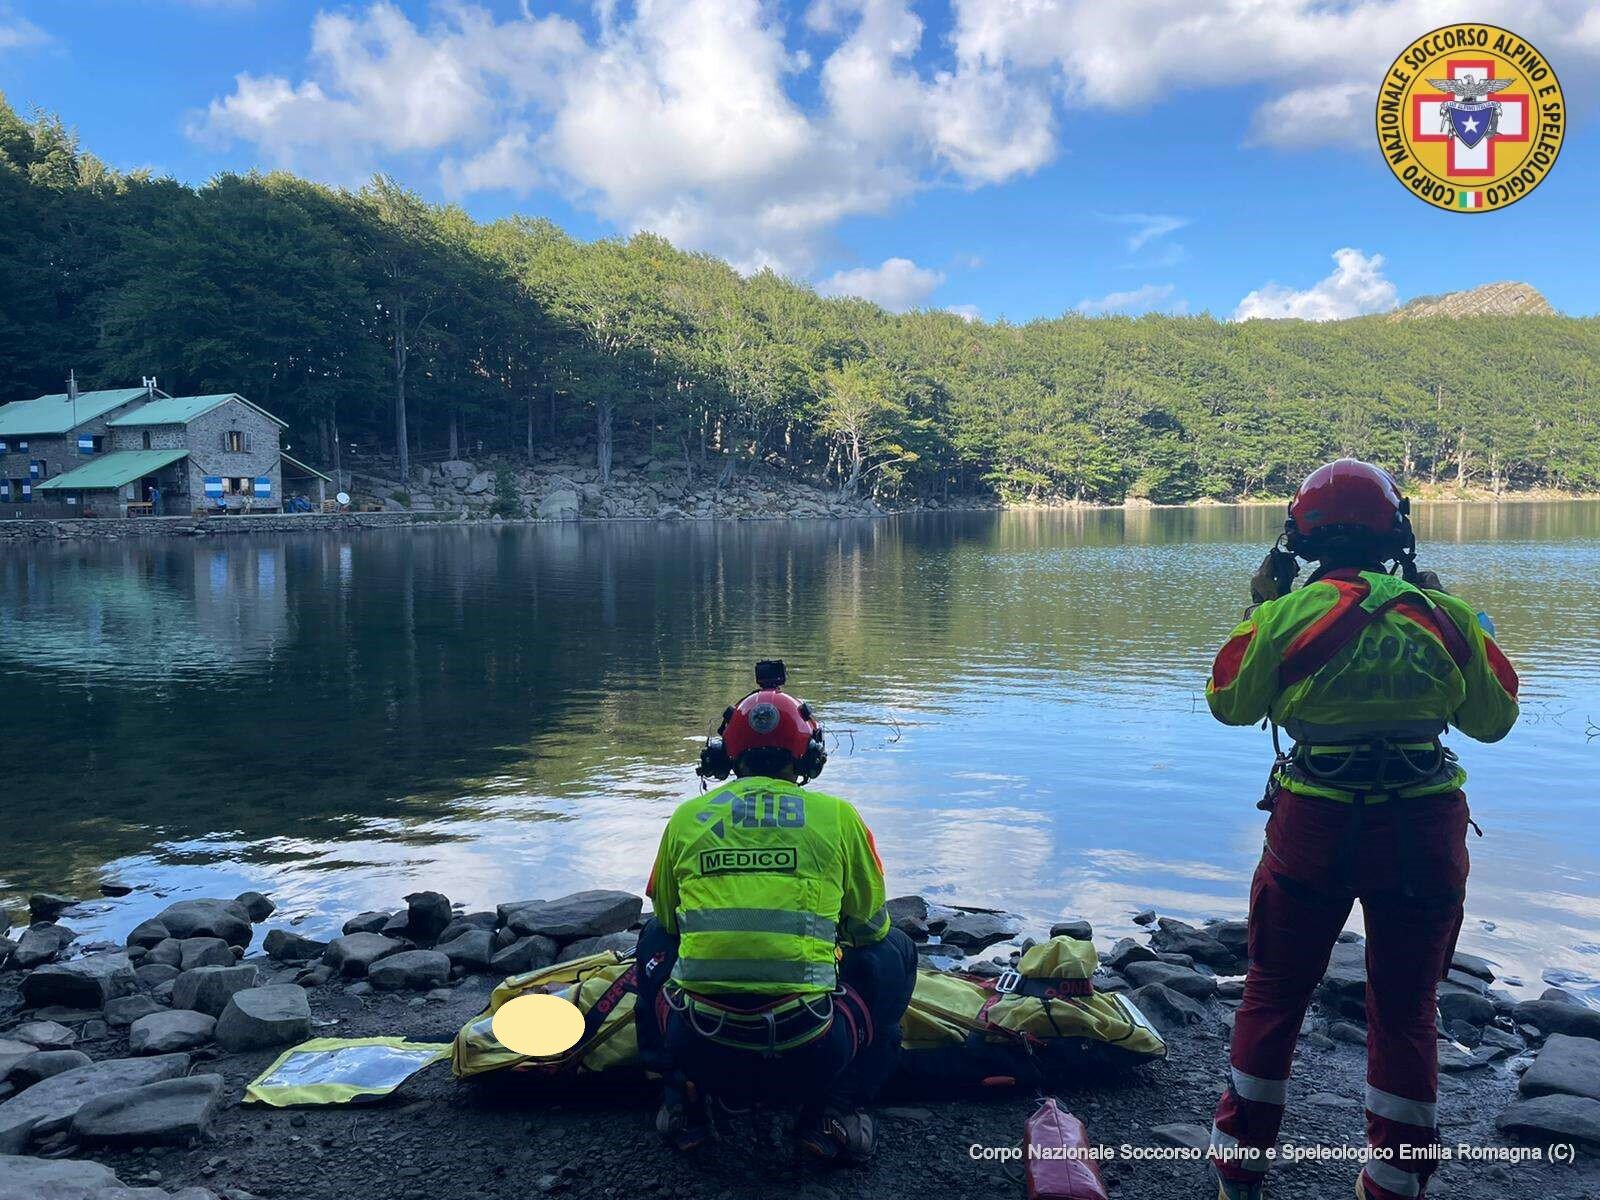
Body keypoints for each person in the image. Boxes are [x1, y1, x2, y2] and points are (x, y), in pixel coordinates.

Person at [1204, 460, 1520, 1200]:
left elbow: (1228, 703)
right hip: (1423, 823)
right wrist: (1467, 624)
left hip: (1314, 822)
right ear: (1397, 532)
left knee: (1274, 990)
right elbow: (1494, 720)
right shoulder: (1443, 616)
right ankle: (1394, 1182)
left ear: (1299, 538)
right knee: (1407, 1007)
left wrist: (1257, 612)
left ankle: (1239, 1170)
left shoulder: (1284, 616)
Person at [634, 662, 917, 1163]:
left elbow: (668, 919)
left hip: (699, 1045)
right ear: (810, 756)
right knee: (895, 948)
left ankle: (682, 1102)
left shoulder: (685, 819)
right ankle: (835, 1113)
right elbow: (869, 926)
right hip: (810, 1051)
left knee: (655, 938)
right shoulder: (839, 817)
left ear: (725, 755)